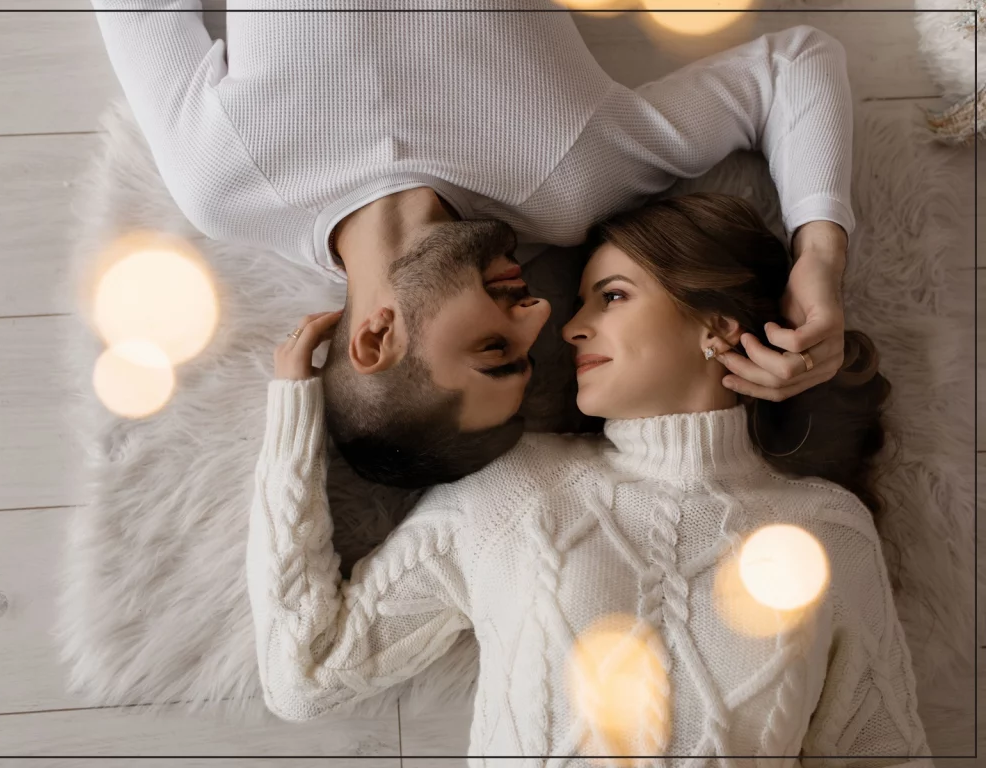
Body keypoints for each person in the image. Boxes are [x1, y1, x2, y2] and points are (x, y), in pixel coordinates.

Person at [246, 194, 929, 766]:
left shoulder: (829, 531)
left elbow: (883, 752)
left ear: (716, 327)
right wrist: (294, 412)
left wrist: (820, 258)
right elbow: (304, 674)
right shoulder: (509, 492)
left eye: (612, 296)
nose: (570, 328)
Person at [93, 2, 854, 487]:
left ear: (375, 337)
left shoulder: (228, 182)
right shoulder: (571, 183)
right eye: (529, 353)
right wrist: (820, 260)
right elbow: (794, 67)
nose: (537, 315)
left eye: (495, 349)